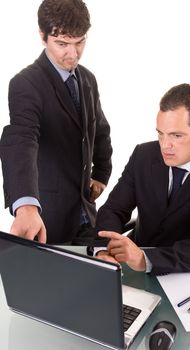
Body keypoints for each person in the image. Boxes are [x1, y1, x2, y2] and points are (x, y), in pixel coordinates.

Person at [0, 0, 112, 244]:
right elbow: (21, 139)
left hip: (85, 213)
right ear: (43, 36)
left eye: (79, 42)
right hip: (48, 222)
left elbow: (99, 129)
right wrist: (26, 204)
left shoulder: (88, 80)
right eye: (62, 44)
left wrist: (102, 173)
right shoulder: (26, 83)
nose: (73, 54)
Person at [95, 83, 190, 275]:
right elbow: (113, 209)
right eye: (161, 134)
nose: (165, 145)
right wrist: (106, 249)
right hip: (135, 265)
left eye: (176, 136)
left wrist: (146, 260)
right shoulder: (143, 155)